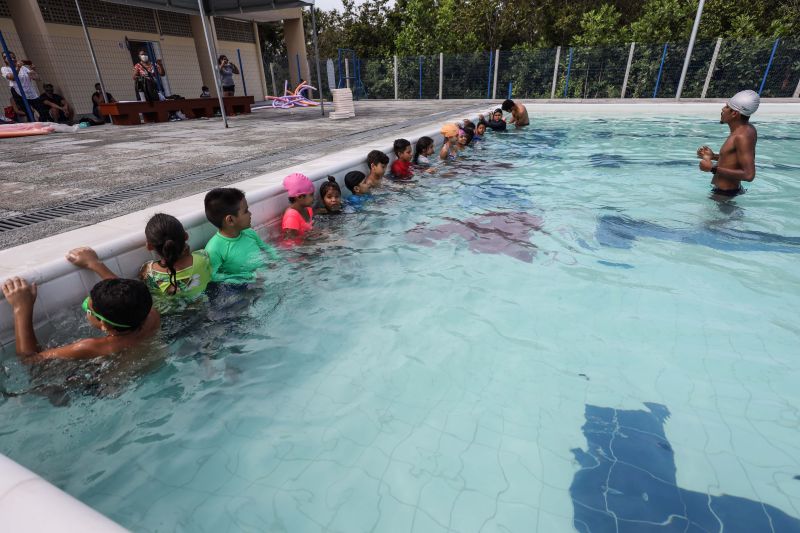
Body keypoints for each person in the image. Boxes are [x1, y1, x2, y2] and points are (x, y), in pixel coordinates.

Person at [1, 248, 160, 361]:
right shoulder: (150, 315)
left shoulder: (90, 348)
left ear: (104, 324)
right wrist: (95, 264)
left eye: (86, 306)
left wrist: (21, 308)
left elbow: (30, 360)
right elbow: (126, 294)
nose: (85, 307)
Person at [203, 188, 279, 283]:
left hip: (262, 274)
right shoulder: (214, 248)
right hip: (243, 285)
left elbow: (266, 247)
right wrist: (247, 277)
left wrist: (276, 259)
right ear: (230, 220)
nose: (250, 214)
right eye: (246, 211)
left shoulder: (249, 232)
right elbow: (213, 276)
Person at [139, 214, 211, 306]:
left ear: (149, 246)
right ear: (186, 236)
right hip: (205, 305)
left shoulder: (149, 273)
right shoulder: (203, 257)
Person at [697, 90, 759, 197]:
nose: (722, 109)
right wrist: (713, 156)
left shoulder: (741, 136)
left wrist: (712, 168)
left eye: (726, 107)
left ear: (734, 113)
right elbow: (734, 160)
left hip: (725, 195)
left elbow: (749, 175)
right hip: (727, 193)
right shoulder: (746, 130)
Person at [281, 173, 315, 242]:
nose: (313, 198)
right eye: (311, 195)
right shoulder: (291, 216)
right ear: (300, 197)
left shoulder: (308, 210)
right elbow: (290, 241)